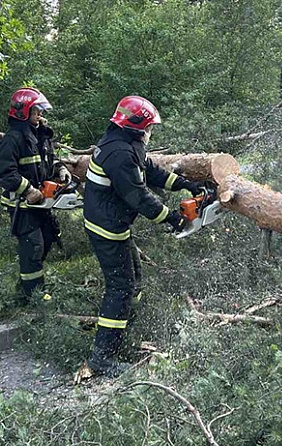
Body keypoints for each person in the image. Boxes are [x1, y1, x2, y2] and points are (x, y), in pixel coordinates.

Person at [83, 95, 205, 377]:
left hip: (112, 224)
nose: (150, 132)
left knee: (133, 282)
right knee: (121, 287)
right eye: (149, 127)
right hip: (107, 229)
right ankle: (102, 358)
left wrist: (187, 184)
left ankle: (123, 330)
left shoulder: (124, 144)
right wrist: (172, 219)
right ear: (138, 126)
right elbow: (138, 195)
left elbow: (150, 172)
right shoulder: (120, 154)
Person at [0, 87, 72, 301]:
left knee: (47, 239)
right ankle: (34, 296)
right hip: (21, 205)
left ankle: (26, 288)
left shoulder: (40, 135)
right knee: (33, 246)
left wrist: (61, 170)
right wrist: (28, 190)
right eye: (37, 110)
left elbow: (51, 160)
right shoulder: (13, 139)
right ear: (23, 111)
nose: (41, 114)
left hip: (41, 203)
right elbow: (3, 172)